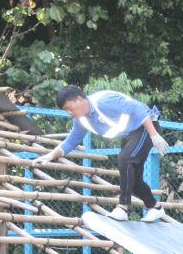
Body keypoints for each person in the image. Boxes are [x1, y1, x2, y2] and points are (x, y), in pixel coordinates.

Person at [34, 85, 169, 222]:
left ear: (80, 99)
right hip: (130, 134)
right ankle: (155, 207)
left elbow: (138, 109)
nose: (69, 112)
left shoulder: (104, 101)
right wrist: (50, 155)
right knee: (133, 178)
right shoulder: (81, 120)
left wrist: (154, 135)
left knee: (125, 159)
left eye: (69, 107)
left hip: (145, 127)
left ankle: (122, 208)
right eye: (65, 110)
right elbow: (71, 142)